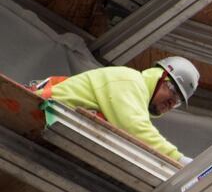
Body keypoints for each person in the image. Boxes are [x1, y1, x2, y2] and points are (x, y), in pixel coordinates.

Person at [32, 56, 199, 164]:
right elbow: (134, 127)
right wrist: (177, 159)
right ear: (159, 77)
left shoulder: (132, 98)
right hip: (42, 112)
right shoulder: (129, 80)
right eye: (172, 91)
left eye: (177, 102)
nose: (171, 103)